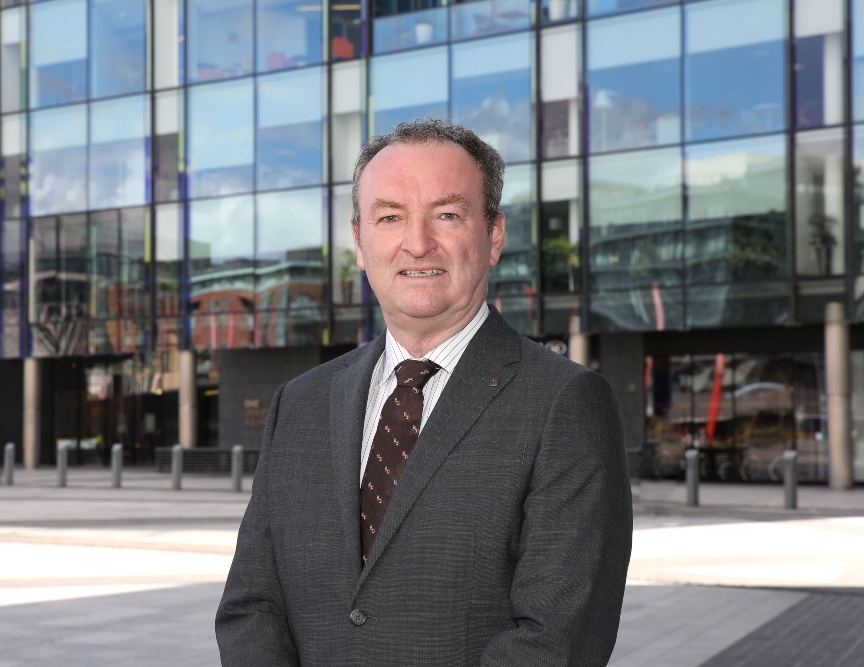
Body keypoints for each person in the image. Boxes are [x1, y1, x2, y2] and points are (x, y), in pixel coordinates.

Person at [215, 120, 632, 666]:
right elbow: (251, 608)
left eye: (447, 214)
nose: (417, 243)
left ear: (494, 235)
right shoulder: (300, 403)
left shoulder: (566, 404)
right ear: (360, 242)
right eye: (390, 217)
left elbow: (557, 640)